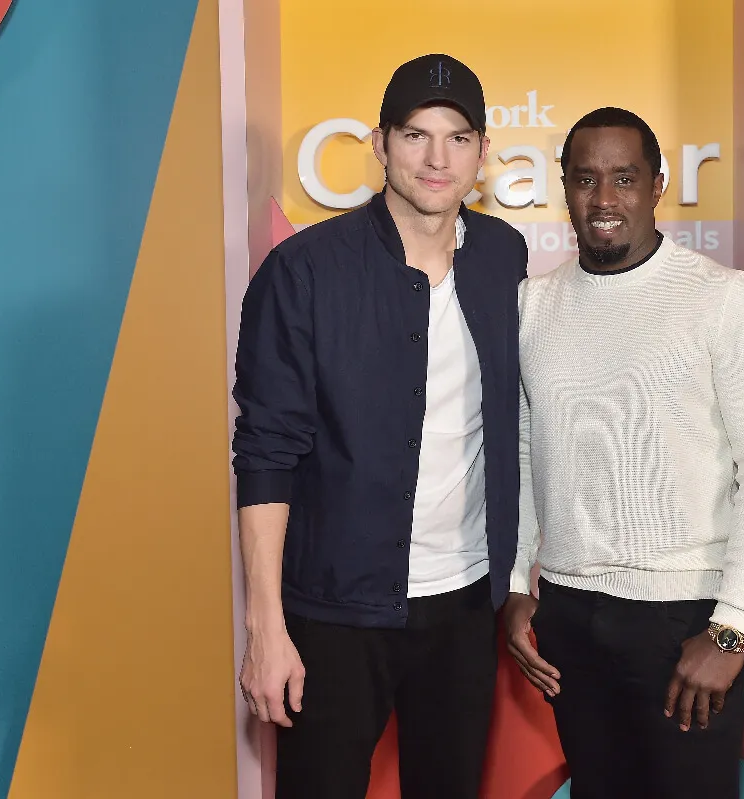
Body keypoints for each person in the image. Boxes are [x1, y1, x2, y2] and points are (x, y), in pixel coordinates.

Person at [232, 54, 529, 799]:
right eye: (416, 135)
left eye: (458, 138)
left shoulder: (503, 257)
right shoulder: (302, 272)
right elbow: (267, 453)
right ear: (380, 142)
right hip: (334, 608)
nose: (437, 158)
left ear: (483, 152)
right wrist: (267, 629)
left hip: (465, 604)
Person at [504, 107, 744, 799]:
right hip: (570, 614)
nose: (603, 199)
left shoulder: (720, 299)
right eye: (585, 179)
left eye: (625, 178)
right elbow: (521, 450)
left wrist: (729, 630)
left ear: (658, 185)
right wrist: (518, 583)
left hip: (684, 620)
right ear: (565, 188)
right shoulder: (534, 306)